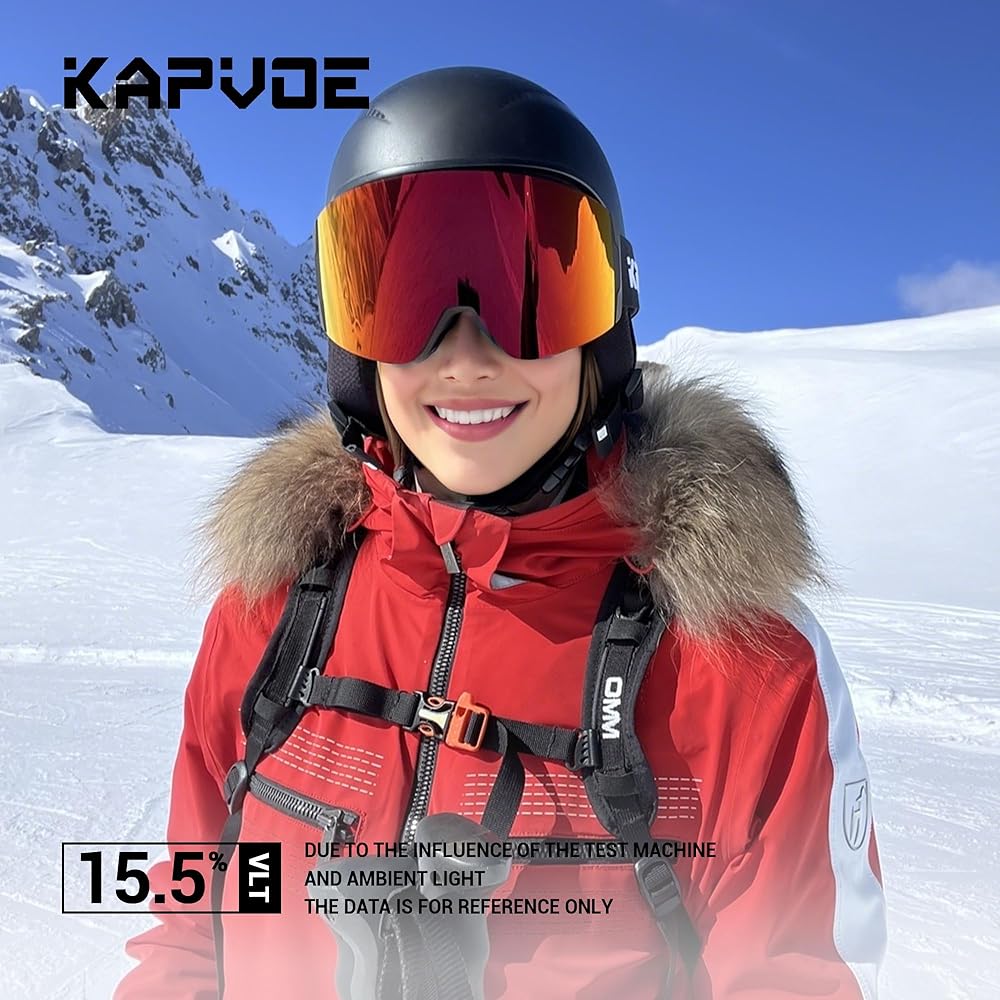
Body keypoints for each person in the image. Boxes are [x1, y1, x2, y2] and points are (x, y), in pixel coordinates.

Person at [114, 66, 887, 999]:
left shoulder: (739, 662)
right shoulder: (274, 613)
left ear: (607, 323)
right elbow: (190, 929)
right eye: (405, 301)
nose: (465, 358)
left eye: (529, 297)